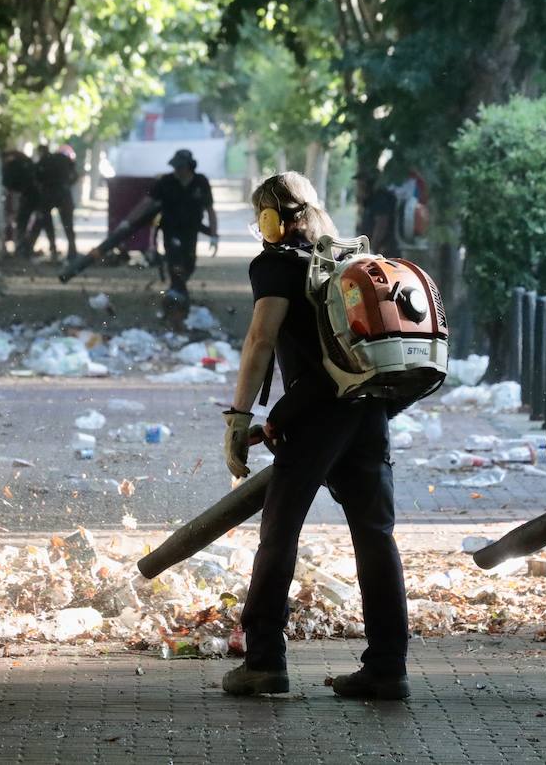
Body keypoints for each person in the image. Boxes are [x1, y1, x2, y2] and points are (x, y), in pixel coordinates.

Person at [220, 171, 410, 700]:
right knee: (376, 537)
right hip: (368, 409)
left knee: (279, 534)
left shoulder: (277, 264)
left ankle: (264, 661)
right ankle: (388, 666)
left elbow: (261, 338)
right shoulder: (346, 262)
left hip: (317, 417)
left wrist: (238, 416)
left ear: (269, 219)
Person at [149, 149, 218, 302]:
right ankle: (177, 292)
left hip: (191, 229)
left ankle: (177, 289)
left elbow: (210, 210)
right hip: (170, 228)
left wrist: (214, 235)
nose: (177, 170)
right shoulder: (166, 182)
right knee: (174, 258)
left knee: (189, 263)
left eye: (180, 167)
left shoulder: (201, 182)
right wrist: (128, 223)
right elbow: (148, 204)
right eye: (175, 167)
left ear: (189, 167)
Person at [33, 144, 80, 261]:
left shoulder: (43, 162)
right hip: (63, 192)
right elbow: (75, 174)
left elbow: (37, 178)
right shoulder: (63, 158)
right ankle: (72, 251)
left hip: (49, 193)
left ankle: (53, 249)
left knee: (48, 223)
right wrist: (67, 184)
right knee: (68, 224)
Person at [2, 150, 38, 256]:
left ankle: (22, 247)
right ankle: (25, 247)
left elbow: (8, 183)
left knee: (21, 222)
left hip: (24, 195)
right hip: (29, 195)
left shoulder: (13, 165)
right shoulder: (26, 162)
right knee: (27, 222)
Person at [354, 169, 396, 256]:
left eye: (360, 182)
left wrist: (371, 249)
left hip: (383, 251)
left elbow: (381, 226)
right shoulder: (370, 200)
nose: (358, 186)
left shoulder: (380, 200)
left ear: (366, 183)